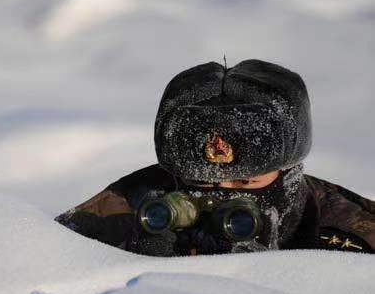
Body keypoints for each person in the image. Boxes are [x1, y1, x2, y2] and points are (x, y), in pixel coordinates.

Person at [56, 59, 374, 255]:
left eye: (246, 180)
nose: (222, 193)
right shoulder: (121, 211)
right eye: (199, 181)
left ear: (288, 174)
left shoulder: (352, 234)